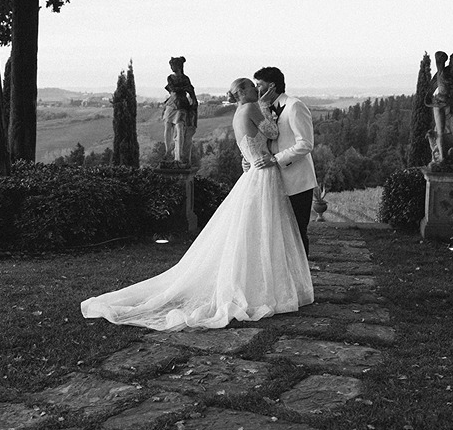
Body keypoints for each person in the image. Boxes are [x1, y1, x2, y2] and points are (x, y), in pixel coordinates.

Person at [81, 77, 313, 331]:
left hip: (253, 172)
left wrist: (248, 158)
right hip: (264, 173)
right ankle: (267, 288)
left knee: (255, 231)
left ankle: (261, 283)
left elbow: (246, 144)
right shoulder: (253, 108)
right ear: (241, 92)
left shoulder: (237, 113)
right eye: (249, 86)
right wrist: (266, 108)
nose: (254, 89)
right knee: (265, 230)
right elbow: (273, 133)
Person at [252, 67, 318, 257]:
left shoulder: (295, 106)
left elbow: (306, 143)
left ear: (271, 86)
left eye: (259, 85)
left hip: (297, 181)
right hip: (273, 180)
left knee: (297, 233)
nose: (257, 89)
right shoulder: (262, 108)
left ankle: (302, 279)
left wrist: (276, 159)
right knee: (278, 234)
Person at [162, 56, 198, 166]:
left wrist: (193, 100)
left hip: (181, 105)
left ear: (179, 66)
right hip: (172, 104)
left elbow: (190, 90)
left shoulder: (185, 78)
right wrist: (183, 88)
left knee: (180, 129)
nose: (172, 67)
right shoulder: (171, 77)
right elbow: (173, 88)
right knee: (168, 127)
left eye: (173, 65)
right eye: (171, 65)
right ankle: (168, 151)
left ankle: (179, 155)